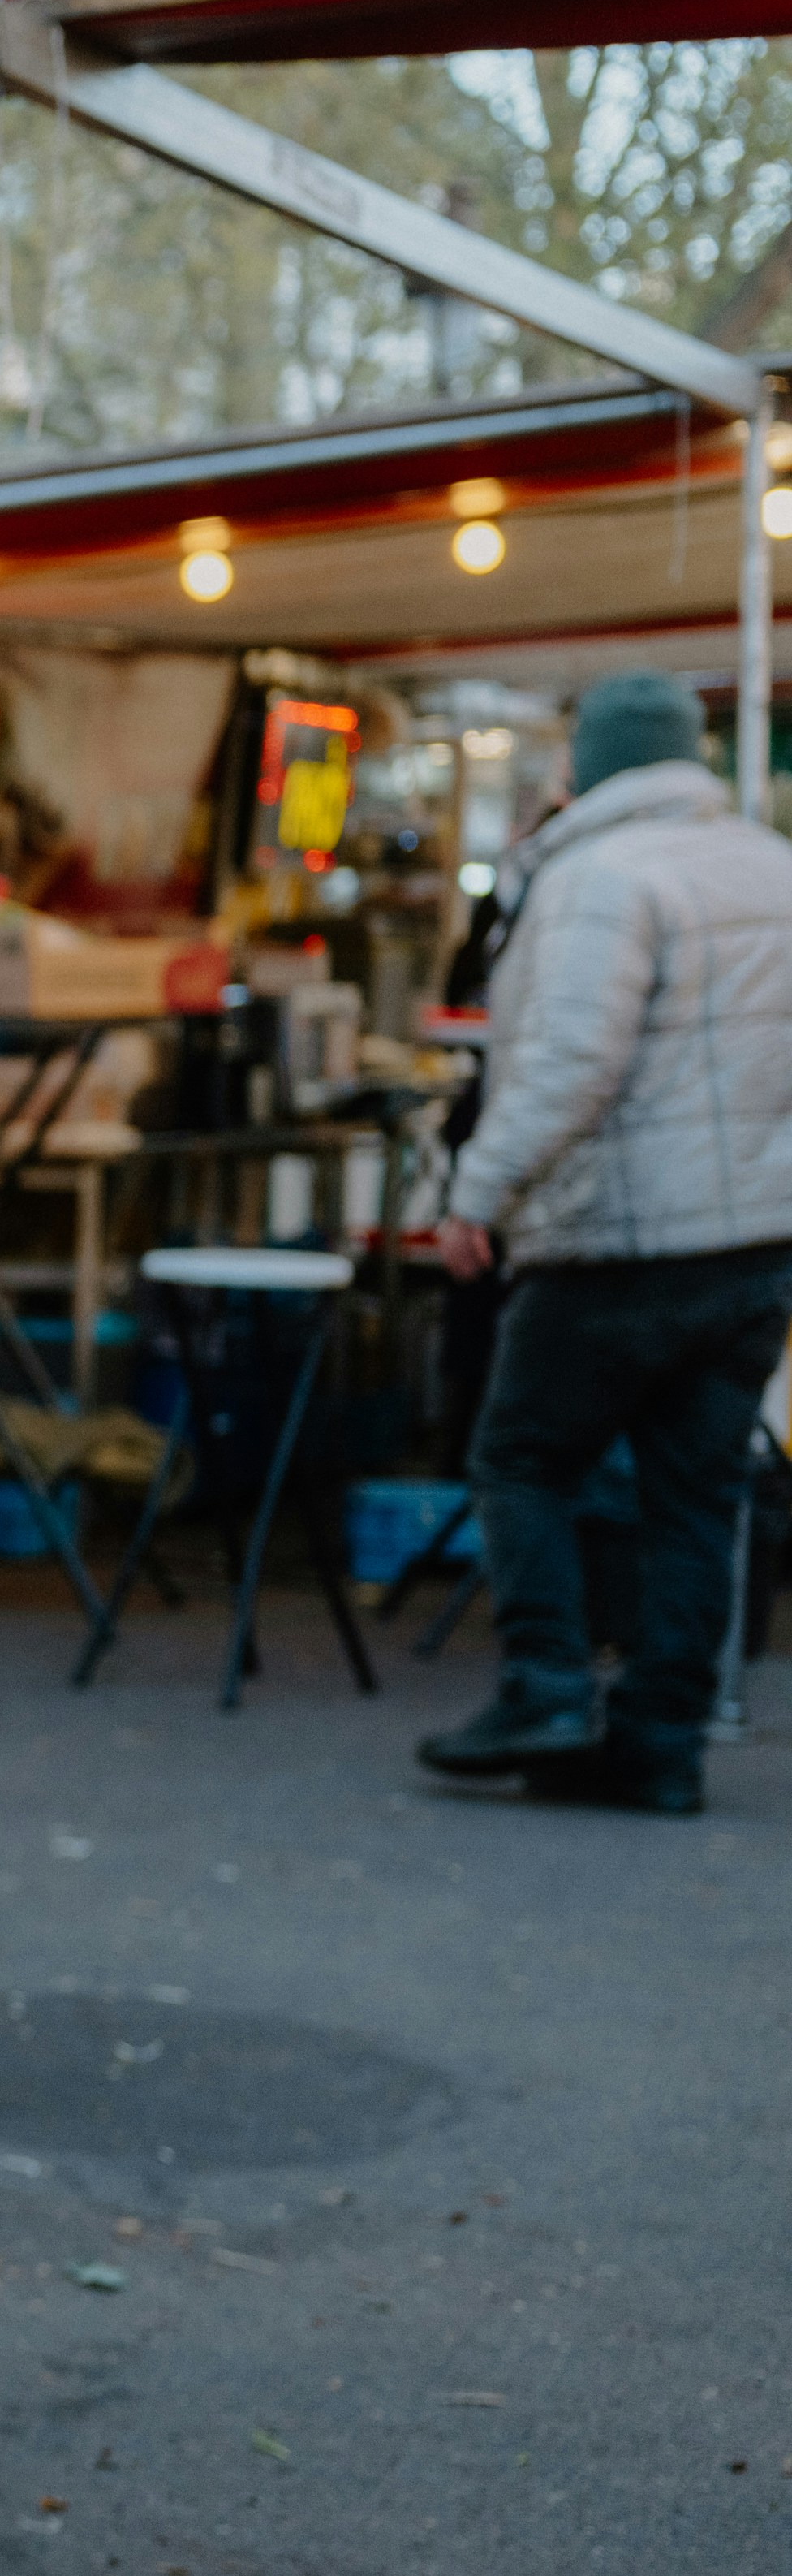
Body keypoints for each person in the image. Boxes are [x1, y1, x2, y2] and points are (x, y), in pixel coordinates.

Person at [415, 670, 792, 1814]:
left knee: (521, 1457)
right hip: (754, 1247)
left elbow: (568, 1065)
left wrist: (474, 1192)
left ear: (595, 760)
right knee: (696, 1499)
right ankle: (661, 1747)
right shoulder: (774, 867)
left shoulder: (599, 876)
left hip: (619, 1238)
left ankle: (545, 1687)